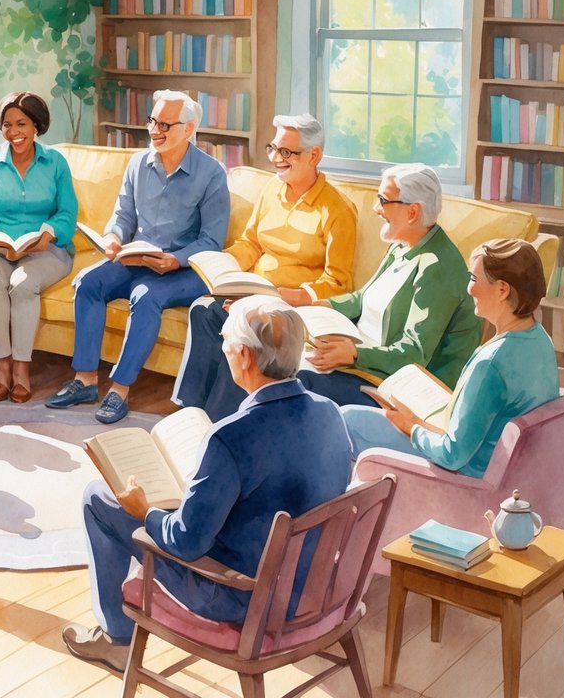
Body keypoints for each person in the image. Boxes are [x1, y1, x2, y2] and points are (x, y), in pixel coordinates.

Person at [61, 296, 353, 671]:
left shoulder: (231, 437)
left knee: (99, 498)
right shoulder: (330, 413)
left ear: (245, 356)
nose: (225, 352)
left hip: (239, 592)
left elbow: (185, 542)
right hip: (312, 582)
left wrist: (145, 511)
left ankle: (116, 638)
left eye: (227, 345)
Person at [46, 89, 229, 424]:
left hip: (183, 269)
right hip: (138, 259)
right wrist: (114, 237)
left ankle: (119, 390)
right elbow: (123, 215)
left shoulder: (212, 173)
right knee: (88, 282)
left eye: (165, 125)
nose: (155, 131)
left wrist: (176, 260)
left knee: (145, 297)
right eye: (152, 121)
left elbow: (211, 241)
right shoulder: (137, 164)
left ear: (188, 129)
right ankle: (85, 380)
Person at [171, 113, 358, 420]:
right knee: (203, 310)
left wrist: (292, 296)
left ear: (314, 156)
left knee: (246, 329)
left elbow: (339, 281)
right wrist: (226, 265)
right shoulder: (271, 190)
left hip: (291, 306)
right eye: (273, 148)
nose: (276, 159)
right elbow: (251, 242)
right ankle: (187, 411)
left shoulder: (337, 210)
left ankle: (223, 421)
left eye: (287, 152)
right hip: (254, 294)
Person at [339, 238, 559, 477]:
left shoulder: (491, 362)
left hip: (463, 476)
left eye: (474, 279)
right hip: (497, 463)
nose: (469, 289)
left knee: (347, 420)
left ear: (502, 290)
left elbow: (451, 455)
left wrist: (411, 426)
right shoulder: (539, 339)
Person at [296, 163, 484, 408]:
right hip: (367, 363)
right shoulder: (402, 244)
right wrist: (319, 305)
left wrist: (353, 354)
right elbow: (364, 298)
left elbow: (414, 354)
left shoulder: (437, 268)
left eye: (383, 200)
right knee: (279, 361)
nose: (376, 209)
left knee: (296, 381)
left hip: (399, 389)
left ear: (413, 212)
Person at [0, 92, 78, 402]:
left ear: (37, 125)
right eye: (6, 125)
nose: (13, 133)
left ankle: (21, 372)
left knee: (23, 284)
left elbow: (67, 213)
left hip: (45, 249)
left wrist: (50, 234)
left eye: (21, 124)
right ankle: (1, 370)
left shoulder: (55, 162)